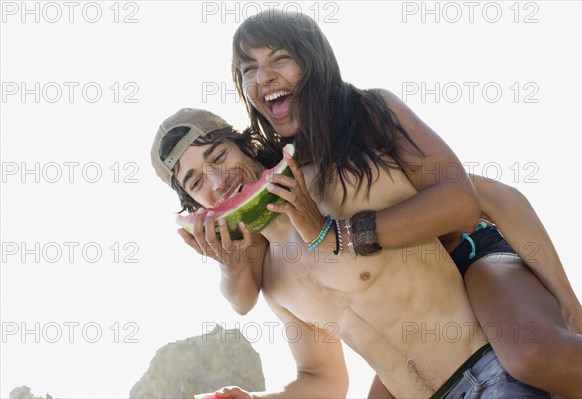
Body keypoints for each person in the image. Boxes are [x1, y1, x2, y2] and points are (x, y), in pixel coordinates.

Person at [224, 9, 582, 398]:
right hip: (413, 315)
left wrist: (569, 304)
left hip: (469, 257)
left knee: (531, 354)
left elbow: (482, 196)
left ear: (314, 61)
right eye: (248, 68)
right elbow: (243, 297)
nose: (263, 76)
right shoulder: (279, 170)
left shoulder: (366, 115)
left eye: (280, 58)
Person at [151, 107, 551, 398]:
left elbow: (485, 197)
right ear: (197, 209)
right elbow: (321, 378)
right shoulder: (270, 278)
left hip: (495, 375)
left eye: (219, 157)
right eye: (197, 181)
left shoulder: (333, 179)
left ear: (246, 147)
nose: (219, 180)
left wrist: (566, 307)